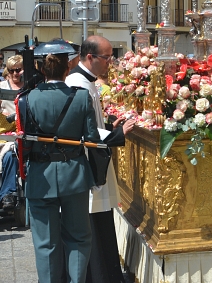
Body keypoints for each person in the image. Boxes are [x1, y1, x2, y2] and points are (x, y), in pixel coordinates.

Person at [24, 52, 101, 283]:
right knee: (78, 237)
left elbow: (25, 143)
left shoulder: (27, 98)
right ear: (68, 68)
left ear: (41, 69)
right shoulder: (80, 97)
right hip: (73, 174)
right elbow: (91, 137)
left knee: (46, 243)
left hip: (40, 176)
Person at [65, 36, 135, 283]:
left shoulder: (86, 81)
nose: (110, 62)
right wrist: (117, 134)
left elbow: (91, 124)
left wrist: (108, 125)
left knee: (101, 219)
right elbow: (82, 132)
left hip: (95, 156)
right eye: (106, 57)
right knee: (94, 221)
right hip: (88, 163)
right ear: (90, 57)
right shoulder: (78, 84)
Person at [0, 55, 24, 208]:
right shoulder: (2, 86)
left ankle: (8, 193)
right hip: (3, 131)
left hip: (20, 132)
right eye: (12, 70)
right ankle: (6, 193)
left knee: (11, 154)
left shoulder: (29, 87)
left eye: (18, 70)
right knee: (8, 153)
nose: (15, 73)